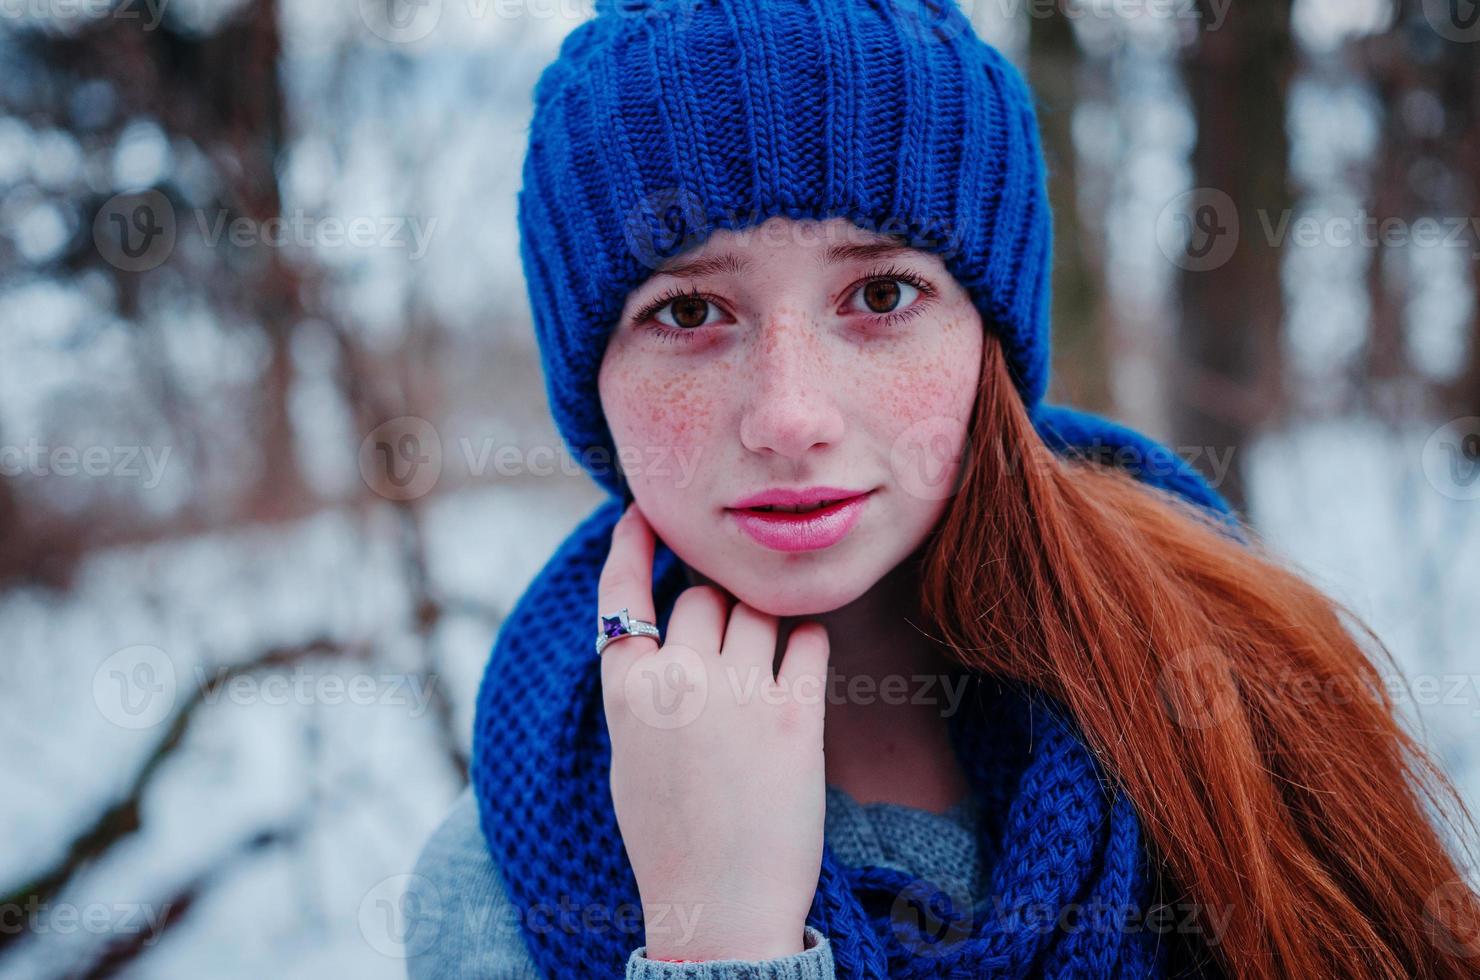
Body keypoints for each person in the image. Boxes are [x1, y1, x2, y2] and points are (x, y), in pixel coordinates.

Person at [406, 0, 1480, 977]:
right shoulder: (502, 884)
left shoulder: (1251, 698)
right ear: (593, 382)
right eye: (688, 314)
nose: (789, 415)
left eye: (880, 292)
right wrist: (718, 942)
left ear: (988, 342)